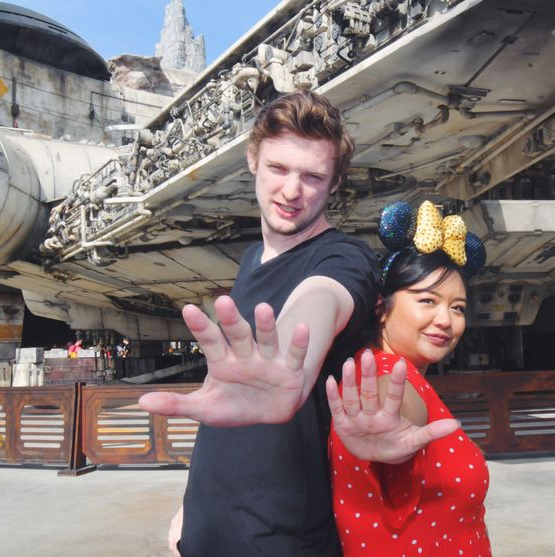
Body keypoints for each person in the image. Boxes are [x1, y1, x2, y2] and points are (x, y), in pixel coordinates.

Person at [137, 90, 380, 557]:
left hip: (282, 539)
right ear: (252, 160)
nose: (291, 191)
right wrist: (192, 506)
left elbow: (321, 300)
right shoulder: (252, 259)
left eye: (313, 176)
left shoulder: (344, 257)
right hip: (207, 529)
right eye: (278, 169)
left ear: (334, 184)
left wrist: (292, 366)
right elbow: (231, 398)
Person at [326, 202, 491, 556]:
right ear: (381, 309)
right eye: (427, 300)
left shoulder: (396, 373)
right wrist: (387, 423)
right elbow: (394, 404)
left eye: (457, 307)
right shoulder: (388, 376)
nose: (446, 320)